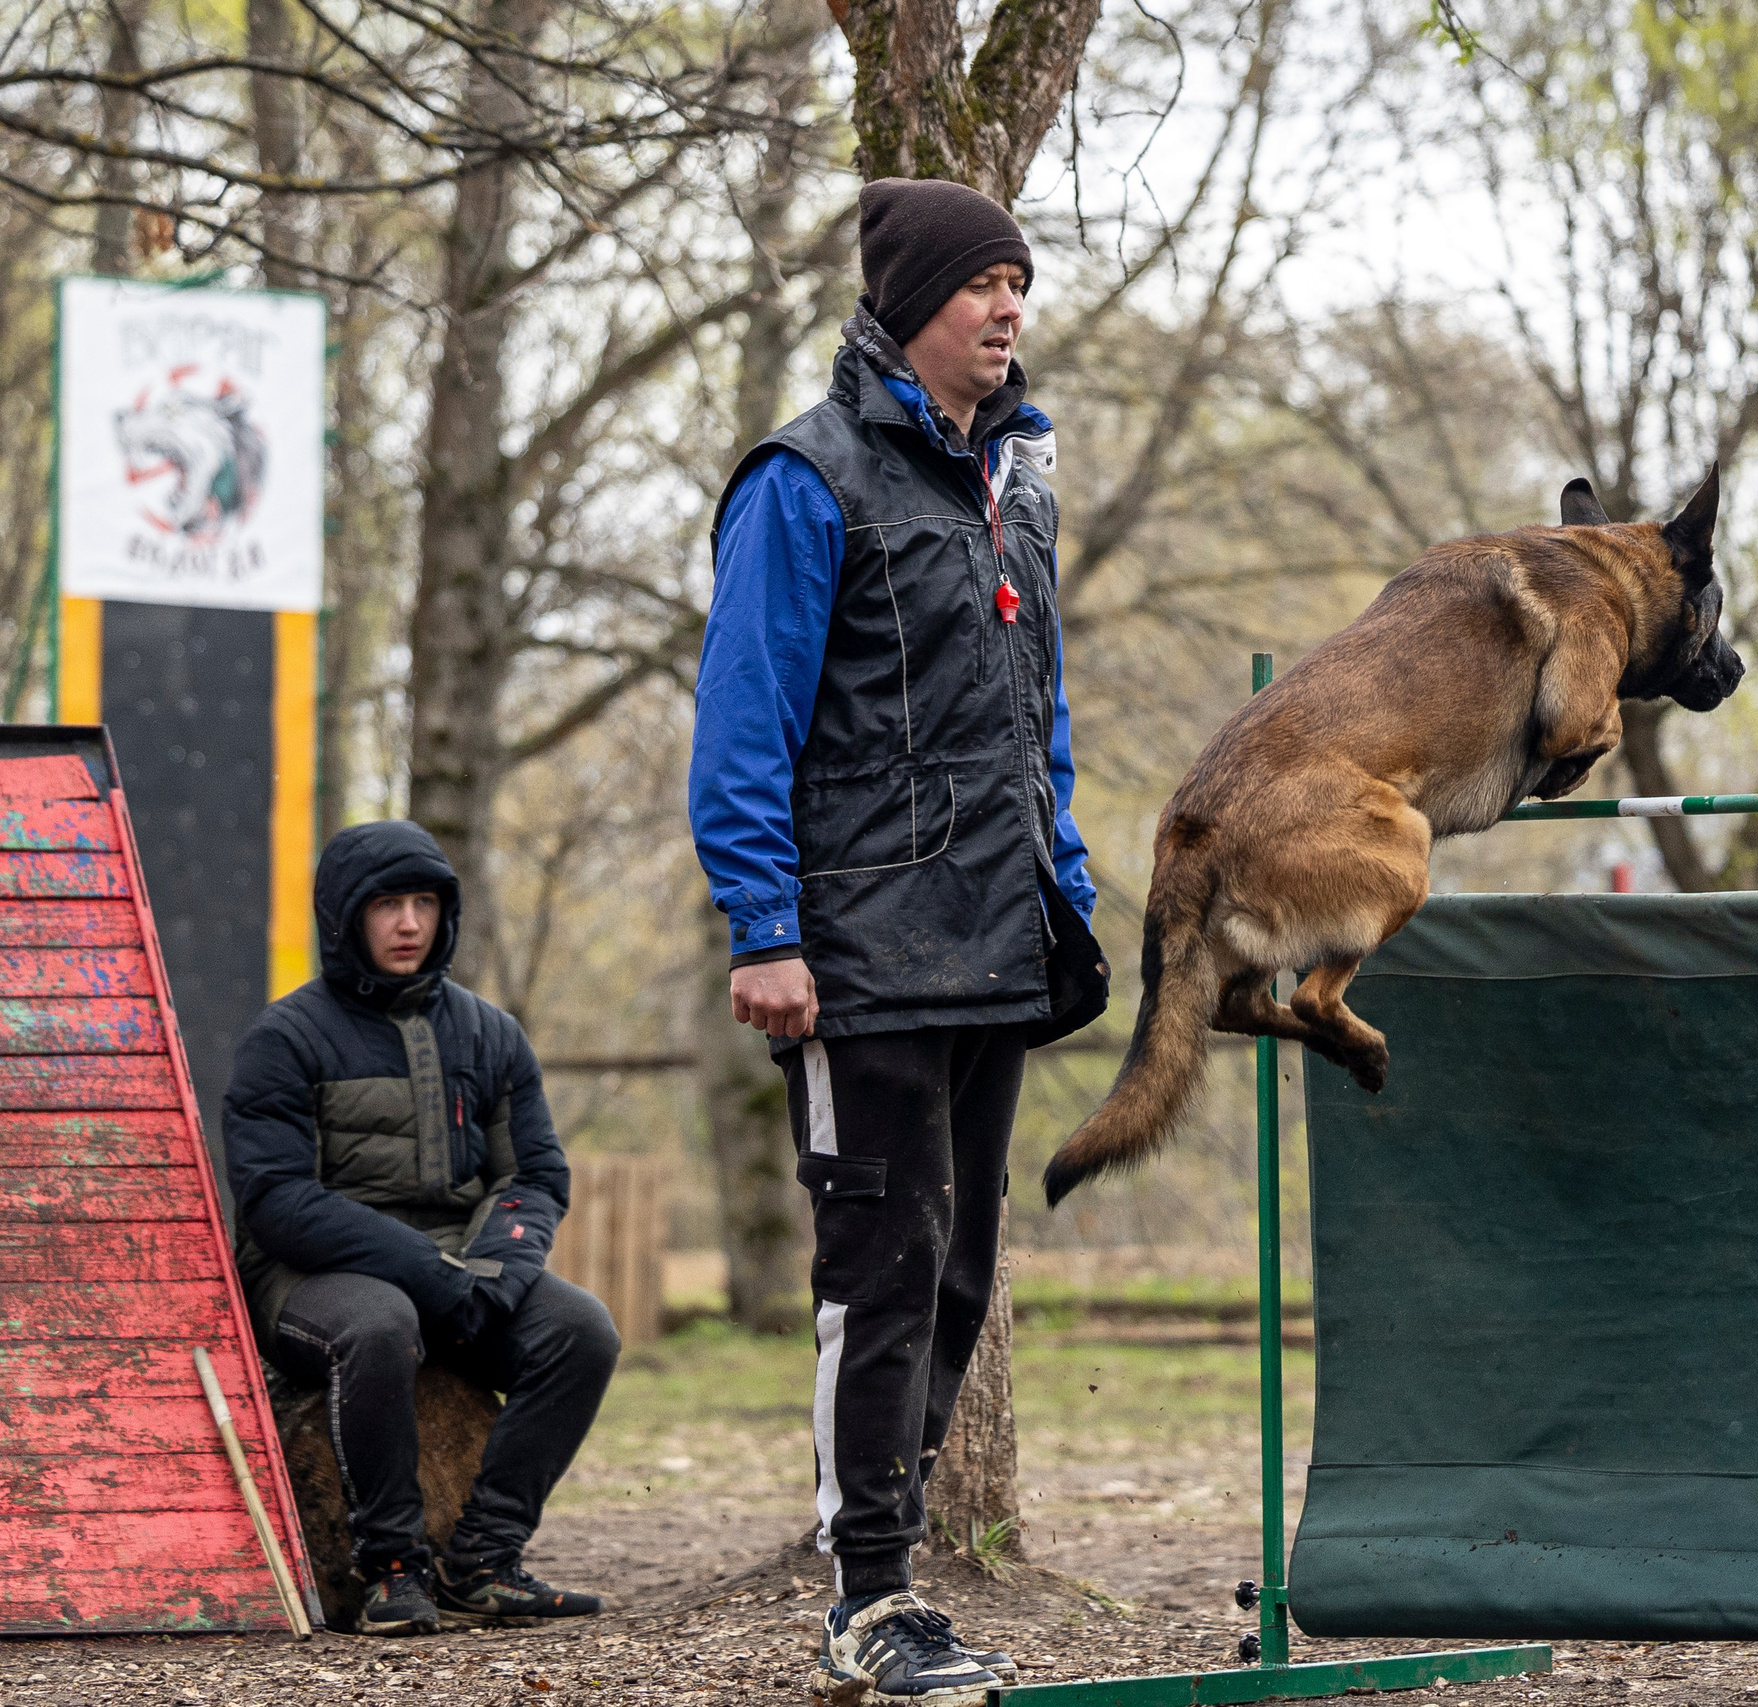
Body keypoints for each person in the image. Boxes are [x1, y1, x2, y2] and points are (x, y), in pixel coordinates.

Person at [689, 175, 1108, 1706]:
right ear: (907, 302)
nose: (1006, 310)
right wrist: (765, 926)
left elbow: (1034, 713)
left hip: (999, 940)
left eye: (1020, 284)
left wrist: (1062, 871)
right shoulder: (804, 482)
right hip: (858, 955)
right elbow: (744, 721)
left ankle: (900, 1566)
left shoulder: (1020, 480)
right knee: (882, 1263)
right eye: (979, 284)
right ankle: (865, 1594)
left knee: (960, 1266)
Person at [225, 820, 619, 1637]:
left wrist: (497, 1270)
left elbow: (534, 1175)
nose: (409, 923)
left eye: (425, 903)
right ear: (343, 919)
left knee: (580, 1328)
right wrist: (427, 1270)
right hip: (307, 1274)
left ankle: (483, 1561)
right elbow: (278, 1200)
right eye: (386, 905)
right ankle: (391, 1570)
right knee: (379, 1321)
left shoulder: (491, 1033)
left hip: (462, 1265)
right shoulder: (284, 1038)